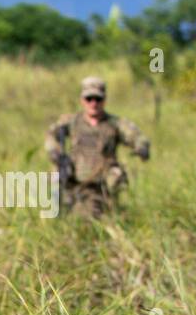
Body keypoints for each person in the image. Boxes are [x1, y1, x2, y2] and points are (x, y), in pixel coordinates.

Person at [44, 76, 150, 218]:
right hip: (75, 176)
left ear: (104, 100)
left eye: (97, 99)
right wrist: (55, 152)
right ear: (82, 100)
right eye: (89, 99)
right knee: (54, 177)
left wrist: (141, 147)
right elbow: (52, 134)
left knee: (114, 179)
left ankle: (111, 209)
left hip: (102, 180)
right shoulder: (72, 121)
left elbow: (138, 137)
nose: (93, 103)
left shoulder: (114, 123)